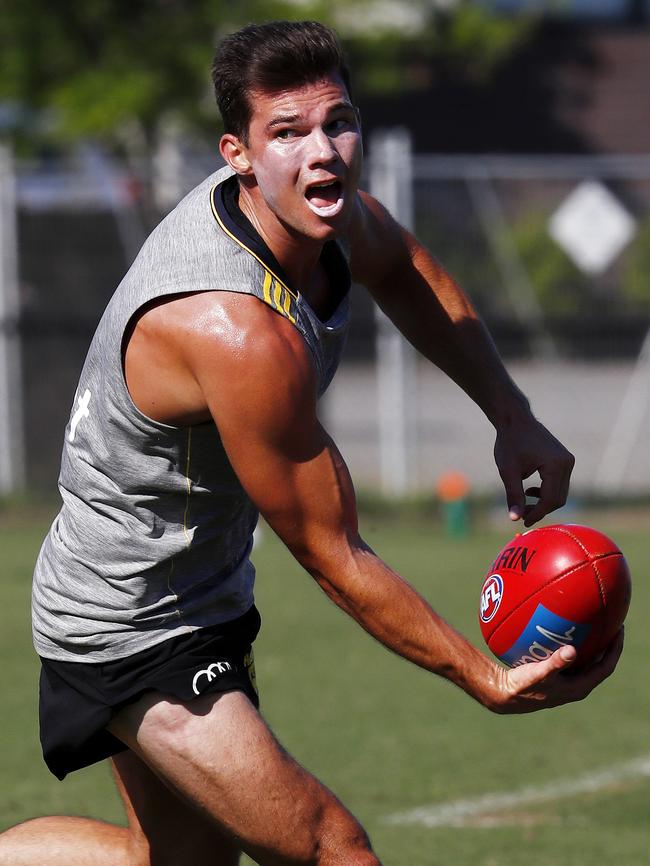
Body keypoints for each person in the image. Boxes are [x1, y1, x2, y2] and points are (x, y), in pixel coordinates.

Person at [0, 20, 622, 866]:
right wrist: (484, 679)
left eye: (337, 122)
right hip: (129, 622)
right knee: (336, 852)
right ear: (239, 154)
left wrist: (510, 414)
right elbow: (334, 552)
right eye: (286, 134)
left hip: (198, 590)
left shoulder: (330, 223)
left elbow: (401, 267)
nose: (321, 151)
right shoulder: (236, 330)